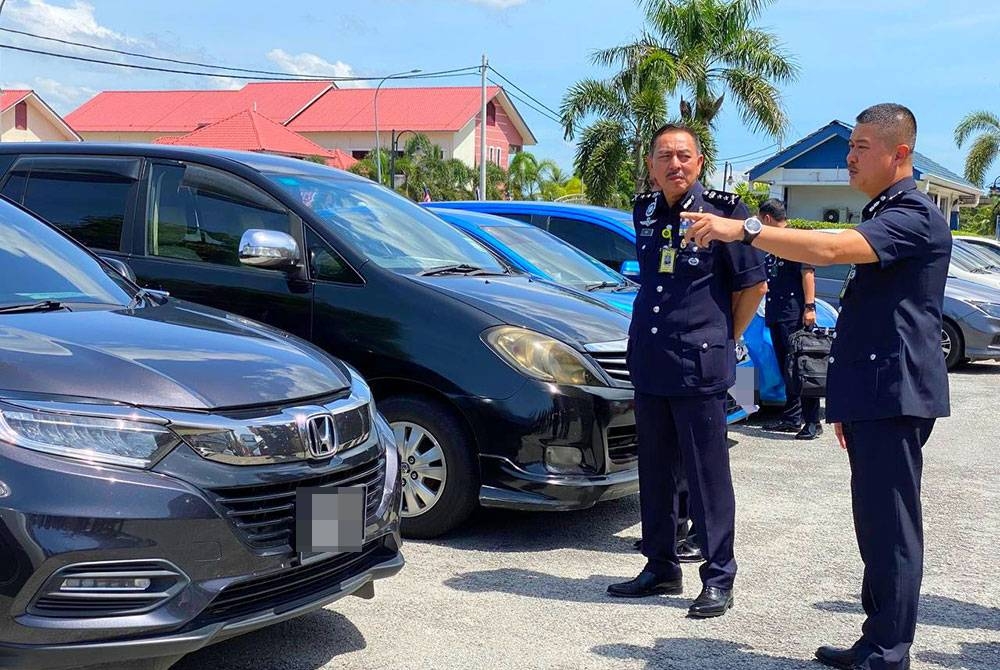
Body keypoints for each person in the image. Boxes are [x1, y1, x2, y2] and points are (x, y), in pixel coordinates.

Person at [680, 103, 950, 669]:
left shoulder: (913, 214)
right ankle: (877, 640)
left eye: (861, 148)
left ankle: (888, 650)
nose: (850, 158)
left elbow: (828, 248)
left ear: (900, 153)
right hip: (876, 392)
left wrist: (745, 229)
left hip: (894, 392)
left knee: (892, 527)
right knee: (875, 523)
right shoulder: (887, 209)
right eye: (849, 146)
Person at [606, 123, 767, 619]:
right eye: (664, 156)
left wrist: (725, 338)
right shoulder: (645, 210)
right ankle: (660, 565)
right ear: (651, 164)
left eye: (683, 156)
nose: (674, 164)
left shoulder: (725, 212)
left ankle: (718, 575)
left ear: (699, 162)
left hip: (699, 363)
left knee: (706, 475)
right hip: (652, 358)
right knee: (654, 469)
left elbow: (753, 287)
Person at [757, 198, 824, 440]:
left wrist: (810, 307)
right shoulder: (773, 245)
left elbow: (808, 274)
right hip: (776, 313)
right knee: (788, 369)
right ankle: (792, 417)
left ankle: (813, 422)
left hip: (793, 314)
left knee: (802, 368)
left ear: (766, 219)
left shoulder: (794, 241)